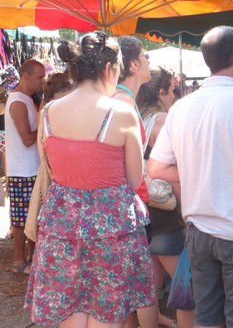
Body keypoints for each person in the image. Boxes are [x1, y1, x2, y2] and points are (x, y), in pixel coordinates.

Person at [148, 26, 233, 328]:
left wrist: (200, 171)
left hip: (200, 234)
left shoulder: (182, 107)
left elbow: (155, 168)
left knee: (207, 319)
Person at [25, 32, 155, 327]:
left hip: (62, 223)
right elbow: (135, 179)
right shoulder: (121, 113)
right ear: (110, 69)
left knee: (69, 310)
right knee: (106, 312)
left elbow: (51, 169)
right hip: (110, 226)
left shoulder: (49, 112)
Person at [136, 67, 194, 328]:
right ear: (161, 93)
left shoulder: (136, 117)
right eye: (173, 90)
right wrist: (187, 215)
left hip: (144, 208)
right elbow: (176, 171)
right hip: (166, 211)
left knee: (149, 287)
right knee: (187, 291)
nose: (175, 95)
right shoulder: (162, 121)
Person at [114, 36, 158, 328]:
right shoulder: (121, 102)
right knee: (138, 285)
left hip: (128, 201)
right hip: (127, 203)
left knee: (128, 286)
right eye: (146, 56)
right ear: (132, 64)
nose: (149, 61)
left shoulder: (123, 99)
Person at [5, 58, 45, 274]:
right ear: (26, 75)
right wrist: (45, 130)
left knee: (30, 216)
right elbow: (27, 139)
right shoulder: (19, 101)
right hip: (22, 170)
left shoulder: (27, 99)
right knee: (21, 220)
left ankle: (28, 258)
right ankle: (18, 260)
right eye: (39, 77)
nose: (42, 81)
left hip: (28, 168)